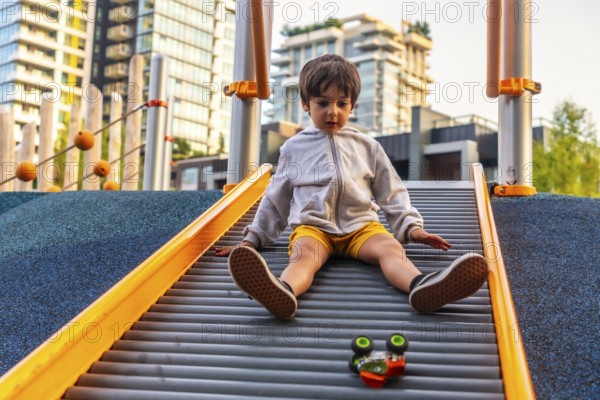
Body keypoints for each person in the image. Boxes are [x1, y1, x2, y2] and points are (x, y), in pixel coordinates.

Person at [215, 54, 487, 319]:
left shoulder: (367, 146)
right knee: (303, 258)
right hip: (314, 227)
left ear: (352, 106)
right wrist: (252, 240)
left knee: (391, 249)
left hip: (362, 228)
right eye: (322, 103)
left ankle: (421, 286)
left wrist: (412, 228)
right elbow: (276, 199)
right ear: (306, 104)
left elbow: (391, 191)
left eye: (341, 103)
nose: (332, 111)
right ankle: (282, 291)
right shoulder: (293, 148)